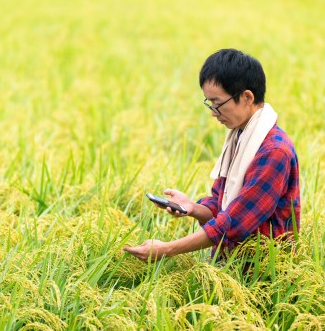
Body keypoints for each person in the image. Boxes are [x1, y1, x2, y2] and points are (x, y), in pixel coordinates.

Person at [124, 49, 300, 262]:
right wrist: (193, 208)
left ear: (247, 97)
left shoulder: (273, 151)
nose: (213, 112)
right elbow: (222, 206)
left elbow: (234, 222)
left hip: (264, 275)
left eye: (217, 103)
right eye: (209, 103)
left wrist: (166, 250)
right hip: (233, 265)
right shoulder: (241, 137)